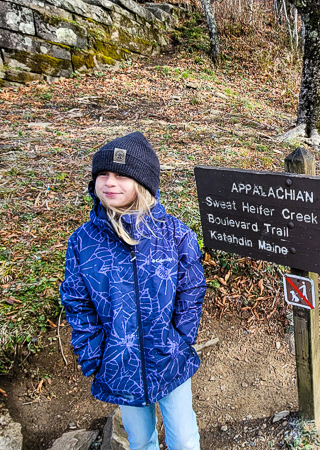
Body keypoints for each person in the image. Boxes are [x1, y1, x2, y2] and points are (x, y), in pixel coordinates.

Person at [60, 132, 207, 450]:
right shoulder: (82, 242)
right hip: (118, 363)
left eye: (120, 176)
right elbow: (76, 300)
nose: (109, 183)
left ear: (142, 182)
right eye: (103, 174)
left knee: (183, 437)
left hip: (169, 357)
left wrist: (181, 337)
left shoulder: (175, 235)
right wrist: (93, 354)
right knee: (140, 440)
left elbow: (192, 287)